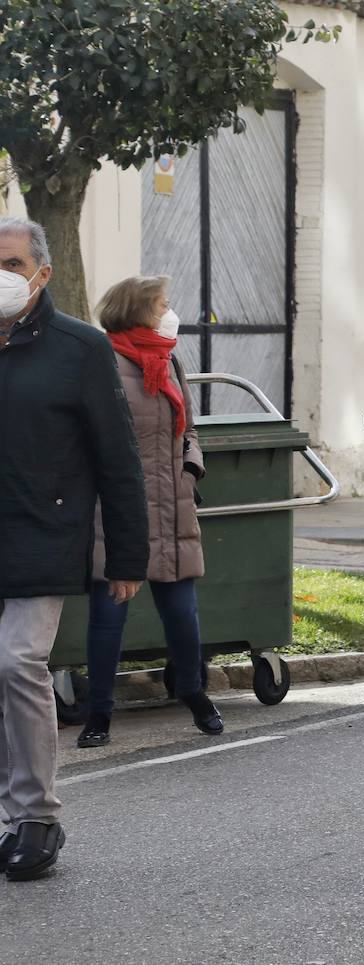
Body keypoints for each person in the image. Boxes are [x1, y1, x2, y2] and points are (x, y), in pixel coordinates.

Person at [0, 217, 148, 881]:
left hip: (42, 535)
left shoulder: (80, 348)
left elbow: (118, 458)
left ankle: (36, 816)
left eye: (10, 263)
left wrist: (126, 556)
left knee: (15, 662)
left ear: (42, 272)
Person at [78, 276, 223, 748]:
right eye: (162, 304)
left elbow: (189, 430)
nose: (169, 311)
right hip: (117, 512)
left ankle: (193, 692)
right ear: (137, 310)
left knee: (183, 615)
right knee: (108, 619)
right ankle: (99, 712)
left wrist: (190, 469)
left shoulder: (170, 360)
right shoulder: (101, 362)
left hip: (173, 507)